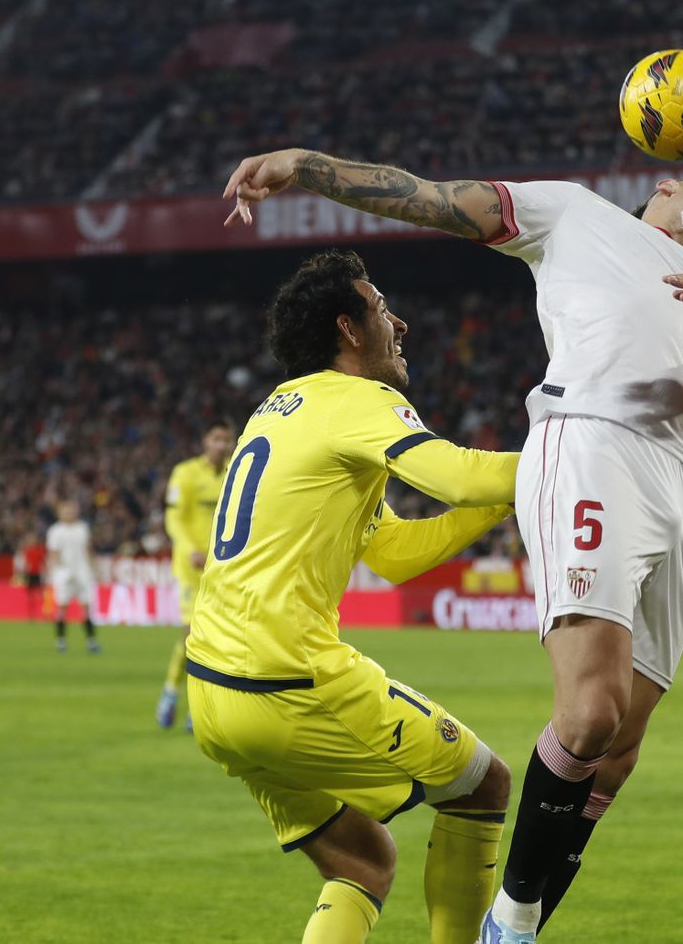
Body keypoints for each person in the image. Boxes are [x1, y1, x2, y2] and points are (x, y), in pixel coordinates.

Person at [222, 148, 683, 944]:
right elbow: (431, 198)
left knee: (618, 751)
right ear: (664, 184)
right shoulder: (577, 216)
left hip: (681, 485)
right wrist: (306, 166)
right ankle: (509, 926)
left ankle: (513, 925)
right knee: (589, 713)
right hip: (593, 446)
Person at [185, 250, 520, 944]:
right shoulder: (359, 400)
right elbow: (454, 475)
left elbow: (395, 555)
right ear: (350, 329)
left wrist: (502, 499)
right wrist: (571, 453)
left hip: (214, 695)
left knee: (363, 860)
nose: (398, 322)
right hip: (288, 680)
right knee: (485, 786)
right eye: (380, 308)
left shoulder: (278, 411)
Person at [156, 419, 235, 731]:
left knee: (215, 637)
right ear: (205, 440)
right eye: (216, 438)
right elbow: (173, 518)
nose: (222, 445)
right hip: (190, 568)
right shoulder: (185, 473)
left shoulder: (235, 472)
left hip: (222, 567)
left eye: (227, 440)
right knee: (191, 635)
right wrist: (190, 548)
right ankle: (173, 693)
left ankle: (192, 703)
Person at [45, 499, 100, 654]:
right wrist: (60, 571)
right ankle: (61, 641)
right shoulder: (55, 531)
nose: (69, 513)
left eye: (71, 510)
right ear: (60, 513)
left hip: (83, 573)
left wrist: (93, 568)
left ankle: (91, 642)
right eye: (66, 511)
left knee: (86, 607)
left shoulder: (82, 528)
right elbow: (54, 554)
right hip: (65, 575)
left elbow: (89, 550)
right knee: (62, 607)